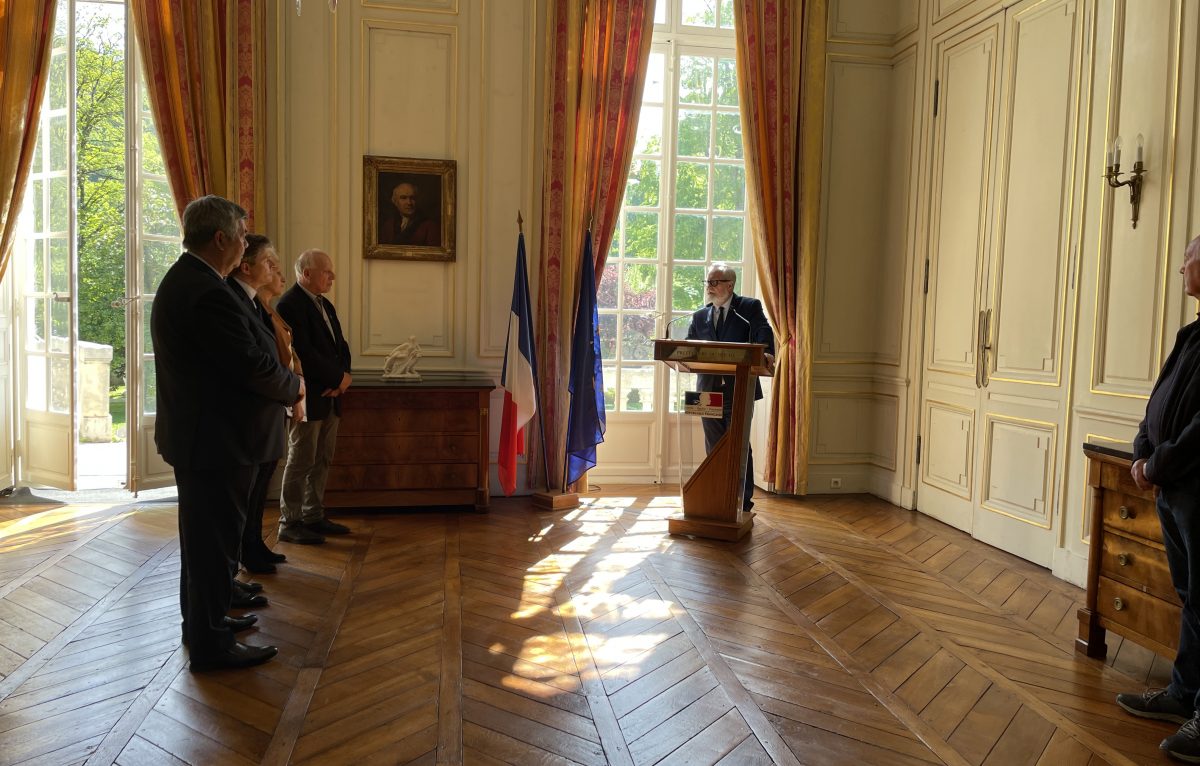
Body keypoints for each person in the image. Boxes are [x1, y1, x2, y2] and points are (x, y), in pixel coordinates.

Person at [151, 195, 303, 672]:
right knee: (213, 546)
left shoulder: (194, 281)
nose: (244, 243)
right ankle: (211, 643)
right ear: (220, 238)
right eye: (240, 235)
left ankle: (205, 624)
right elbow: (251, 366)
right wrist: (295, 386)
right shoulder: (208, 292)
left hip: (209, 439)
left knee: (205, 545)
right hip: (217, 442)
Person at [1116, 234, 1200, 762]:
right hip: (1173, 488)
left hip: (1196, 487)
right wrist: (1141, 450)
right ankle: (1184, 694)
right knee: (1193, 597)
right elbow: (1159, 399)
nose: (1182, 271)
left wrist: (1158, 463)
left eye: (1187, 261)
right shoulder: (1190, 334)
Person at [232, 235, 302, 574]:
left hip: (271, 408)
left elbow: (285, 357)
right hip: (255, 412)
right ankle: (245, 553)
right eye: (270, 264)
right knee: (246, 495)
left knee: (259, 489)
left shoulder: (261, 306)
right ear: (246, 267)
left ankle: (253, 545)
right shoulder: (238, 301)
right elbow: (260, 362)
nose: (277, 271)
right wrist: (296, 389)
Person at [275, 249, 353, 545]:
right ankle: (290, 521)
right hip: (308, 397)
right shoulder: (290, 304)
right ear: (306, 274)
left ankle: (313, 515)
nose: (332, 276)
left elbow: (340, 347)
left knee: (323, 459)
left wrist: (344, 378)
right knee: (301, 459)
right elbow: (303, 353)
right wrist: (337, 379)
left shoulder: (325, 304)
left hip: (331, 395)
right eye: (326, 272)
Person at [685, 262, 775, 512]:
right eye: (708, 282)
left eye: (714, 282)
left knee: (737, 443)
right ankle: (716, 495)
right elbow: (689, 348)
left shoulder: (748, 308)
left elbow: (762, 333)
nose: (709, 287)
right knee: (713, 444)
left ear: (730, 285)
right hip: (707, 391)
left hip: (739, 389)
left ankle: (741, 501)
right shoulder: (700, 315)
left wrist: (766, 351)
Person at [379, 181, 440, 246]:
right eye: (403, 198)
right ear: (395, 201)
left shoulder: (430, 226)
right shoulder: (388, 225)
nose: (409, 203)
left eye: (412, 198)